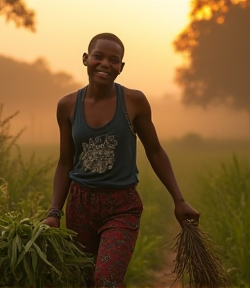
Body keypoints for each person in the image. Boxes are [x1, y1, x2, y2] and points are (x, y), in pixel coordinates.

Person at [43, 32, 200, 288]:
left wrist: (179, 200)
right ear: (85, 59)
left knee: (106, 280)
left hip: (122, 207)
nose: (105, 63)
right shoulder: (68, 106)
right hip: (80, 206)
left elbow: (155, 151)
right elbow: (65, 163)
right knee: (82, 280)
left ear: (121, 67)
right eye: (98, 57)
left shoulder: (134, 102)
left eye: (113, 60)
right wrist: (54, 212)